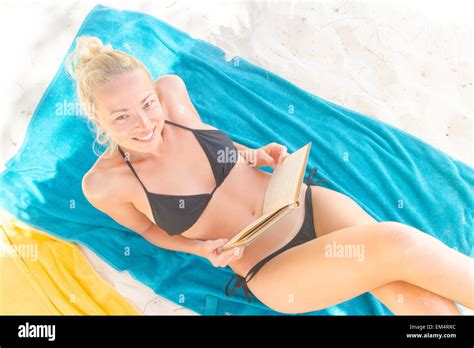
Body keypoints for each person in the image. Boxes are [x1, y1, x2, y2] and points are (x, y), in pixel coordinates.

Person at [69, 36, 472, 315]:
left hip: (303, 202)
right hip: (272, 265)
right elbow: (147, 231)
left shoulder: (172, 94)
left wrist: (256, 155)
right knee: (397, 244)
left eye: (146, 104)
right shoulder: (105, 184)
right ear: (97, 119)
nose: (144, 124)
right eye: (122, 117)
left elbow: (217, 148)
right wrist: (201, 250)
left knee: (401, 285)